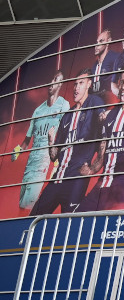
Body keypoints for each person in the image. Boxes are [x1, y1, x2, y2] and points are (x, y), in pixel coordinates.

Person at [30, 69, 104, 215]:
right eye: (75, 84)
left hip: (76, 180)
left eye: (81, 83)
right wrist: (51, 142)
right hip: (57, 178)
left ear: (89, 84)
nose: (76, 88)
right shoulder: (67, 116)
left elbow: (104, 129)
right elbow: (54, 157)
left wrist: (93, 169)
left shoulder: (94, 102)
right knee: (34, 216)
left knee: (68, 223)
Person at [79, 61, 124, 211]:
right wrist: (90, 170)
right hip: (102, 184)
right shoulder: (110, 115)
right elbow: (102, 155)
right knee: (78, 222)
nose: (123, 86)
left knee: (114, 228)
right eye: (121, 82)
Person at [17, 71, 69, 211]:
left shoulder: (64, 105)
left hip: (45, 164)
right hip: (30, 165)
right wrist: (15, 152)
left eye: (56, 80)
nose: (52, 82)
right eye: (52, 78)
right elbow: (26, 140)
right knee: (21, 206)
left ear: (60, 84)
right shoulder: (38, 111)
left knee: (28, 206)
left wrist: (57, 162)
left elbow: (66, 134)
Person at [90, 28, 120, 98]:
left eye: (101, 41)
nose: (97, 45)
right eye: (97, 42)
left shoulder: (116, 57)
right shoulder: (94, 67)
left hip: (112, 101)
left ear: (108, 41)